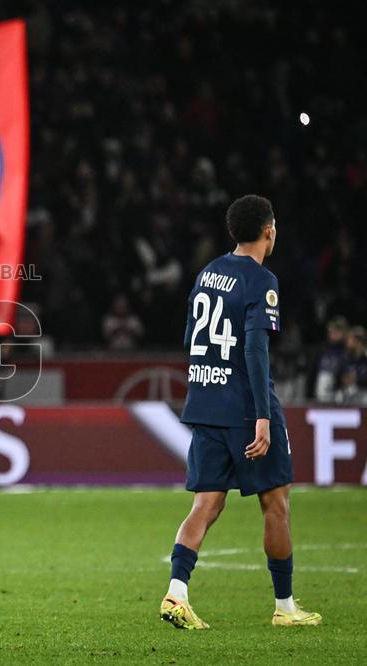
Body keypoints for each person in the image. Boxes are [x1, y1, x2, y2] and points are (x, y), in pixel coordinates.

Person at [160, 194, 321, 629]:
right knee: (276, 504)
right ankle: (285, 607)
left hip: (206, 405)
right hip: (247, 409)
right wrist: (264, 415)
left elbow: (194, 335)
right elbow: (254, 346)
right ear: (268, 230)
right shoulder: (261, 280)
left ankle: (177, 593)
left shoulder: (208, 272)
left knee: (206, 504)